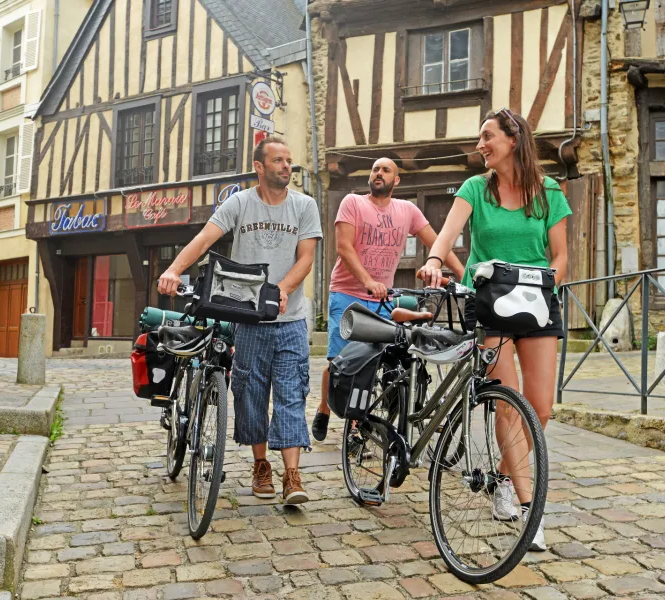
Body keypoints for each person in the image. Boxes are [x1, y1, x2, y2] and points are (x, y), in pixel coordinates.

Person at [419, 108, 571, 552]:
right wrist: (433, 260)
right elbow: (447, 233)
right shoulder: (474, 189)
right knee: (509, 405)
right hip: (490, 305)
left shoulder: (548, 191)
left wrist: (543, 285)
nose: (481, 144)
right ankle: (529, 510)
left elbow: (560, 256)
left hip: (538, 304)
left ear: (513, 139)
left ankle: (503, 477)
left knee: (538, 408)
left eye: (488, 136)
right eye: (480, 137)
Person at [158, 136, 322, 505]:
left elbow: (306, 258)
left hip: (290, 319)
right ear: (260, 167)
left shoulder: (304, 205)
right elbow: (204, 240)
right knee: (250, 395)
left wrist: (281, 289)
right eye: (278, 161)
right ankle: (261, 465)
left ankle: (292, 476)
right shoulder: (240, 203)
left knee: (291, 394)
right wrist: (173, 269)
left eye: (289, 161)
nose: (286, 167)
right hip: (248, 320)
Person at [312, 157, 464, 442]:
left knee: (371, 362)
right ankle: (324, 407)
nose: (378, 173)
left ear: (397, 181)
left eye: (386, 170)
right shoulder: (353, 203)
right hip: (348, 293)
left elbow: (436, 241)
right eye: (375, 169)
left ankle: (357, 426)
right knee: (340, 361)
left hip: (383, 298)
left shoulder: (407, 210)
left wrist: (463, 274)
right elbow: (344, 247)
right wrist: (368, 281)